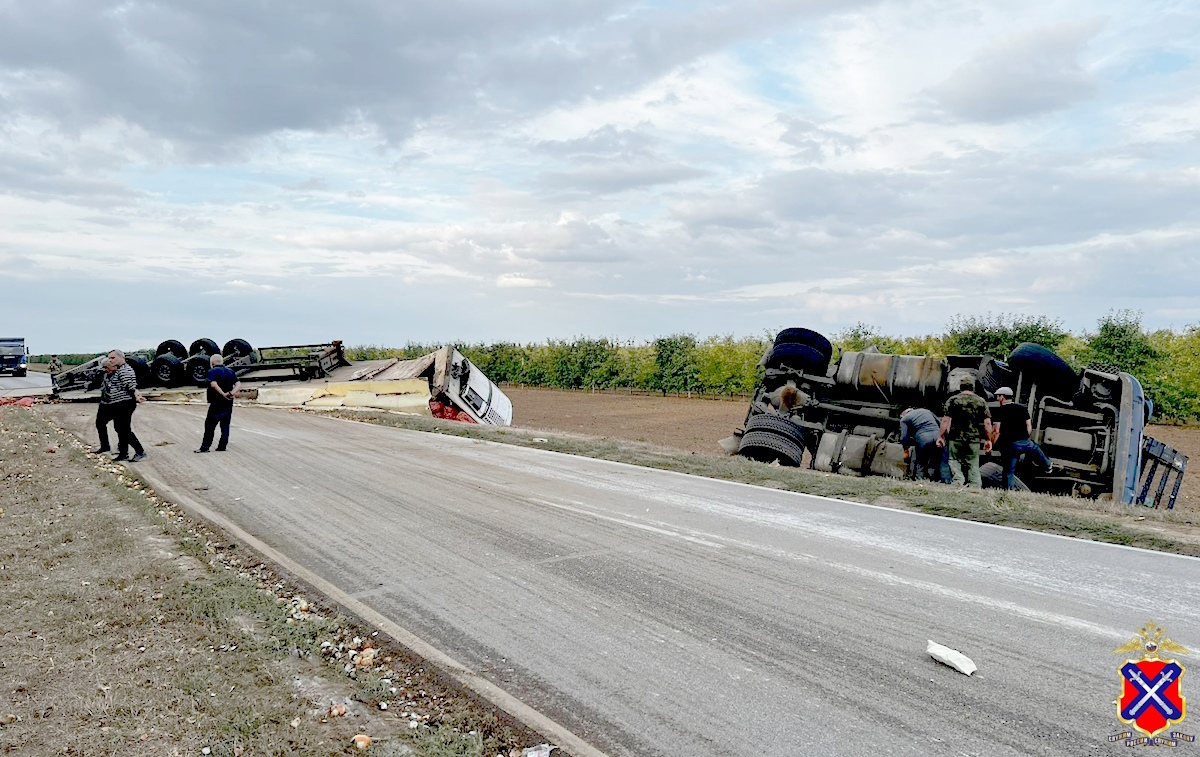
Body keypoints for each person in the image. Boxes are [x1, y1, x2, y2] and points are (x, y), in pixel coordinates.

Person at [991, 386, 1053, 490]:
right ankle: (1048, 464)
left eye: (998, 396)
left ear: (1002, 397)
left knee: (1009, 471)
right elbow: (1029, 425)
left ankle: (1007, 491)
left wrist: (993, 444)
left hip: (1009, 445)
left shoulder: (999, 411)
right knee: (1035, 448)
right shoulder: (1022, 408)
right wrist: (1026, 438)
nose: (997, 399)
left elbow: (996, 430)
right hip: (1025, 442)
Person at [937, 375, 992, 488]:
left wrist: (941, 436)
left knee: (954, 460)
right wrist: (988, 440)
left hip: (955, 437)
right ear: (973, 386)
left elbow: (945, 420)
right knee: (973, 463)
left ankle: (958, 481)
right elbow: (987, 423)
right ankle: (975, 486)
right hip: (974, 439)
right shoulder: (981, 401)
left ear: (961, 386)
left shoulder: (953, 400)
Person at [95, 350, 146, 462]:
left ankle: (140, 451)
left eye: (112, 358)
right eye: (109, 358)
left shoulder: (125, 370)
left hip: (124, 403)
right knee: (119, 428)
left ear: (121, 357)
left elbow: (131, 386)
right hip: (116, 404)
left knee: (123, 429)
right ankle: (123, 453)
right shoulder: (119, 370)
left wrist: (137, 395)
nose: (110, 360)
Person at [196, 354, 240, 453]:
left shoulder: (212, 371)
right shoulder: (230, 371)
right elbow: (238, 384)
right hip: (228, 402)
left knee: (210, 425)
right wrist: (231, 393)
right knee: (225, 425)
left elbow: (213, 384)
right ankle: (222, 446)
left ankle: (205, 447)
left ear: (212, 363)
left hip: (216, 402)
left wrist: (223, 394)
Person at [900, 407, 948, 482]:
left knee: (921, 462)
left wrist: (906, 449)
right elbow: (940, 423)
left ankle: (920, 481)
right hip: (937, 436)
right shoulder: (926, 411)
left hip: (923, 438)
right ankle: (945, 482)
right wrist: (944, 438)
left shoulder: (904, 419)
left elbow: (904, 437)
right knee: (941, 461)